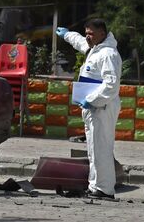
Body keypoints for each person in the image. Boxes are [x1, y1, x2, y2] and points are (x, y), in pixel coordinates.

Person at [56, 19, 122, 199]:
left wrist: (91, 99)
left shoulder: (108, 54)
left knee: (102, 149)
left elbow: (111, 85)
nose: (87, 37)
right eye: (86, 33)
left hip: (102, 107)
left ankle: (105, 189)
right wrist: (67, 34)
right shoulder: (95, 49)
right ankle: (95, 186)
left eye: (91, 33)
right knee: (94, 148)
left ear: (102, 33)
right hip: (94, 107)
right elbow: (80, 42)